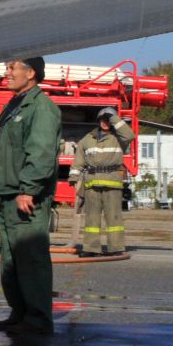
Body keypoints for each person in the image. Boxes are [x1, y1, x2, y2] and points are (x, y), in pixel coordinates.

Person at [0, 57, 62, 342]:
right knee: (11, 262)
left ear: (31, 73)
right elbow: (10, 148)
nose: (7, 72)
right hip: (8, 193)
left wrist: (29, 189)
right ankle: (20, 313)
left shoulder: (41, 108)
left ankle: (38, 319)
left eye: (13, 67)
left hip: (26, 196)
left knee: (31, 259)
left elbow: (40, 153)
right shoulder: (14, 105)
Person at [72, 109, 132, 256]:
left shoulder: (119, 138)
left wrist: (113, 118)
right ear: (98, 121)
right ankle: (91, 249)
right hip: (92, 184)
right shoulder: (87, 139)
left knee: (114, 218)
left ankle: (116, 248)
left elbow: (130, 134)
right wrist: (73, 178)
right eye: (103, 119)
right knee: (91, 219)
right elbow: (78, 160)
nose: (105, 123)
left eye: (108, 120)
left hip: (112, 183)